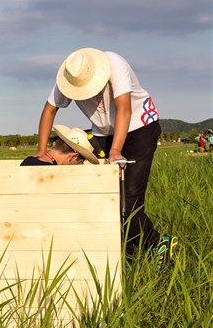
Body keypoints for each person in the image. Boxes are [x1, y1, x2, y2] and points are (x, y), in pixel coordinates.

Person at [35, 47, 177, 263]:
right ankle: (124, 254)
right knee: (100, 197)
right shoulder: (69, 76)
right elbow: (49, 111)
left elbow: (124, 109)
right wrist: (41, 152)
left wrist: (115, 151)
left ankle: (158, 244)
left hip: (140, 128)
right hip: (104, 132)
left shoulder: (114, 64)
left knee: (128, 201)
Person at [21, 125, 100, 166]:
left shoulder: (27, 161)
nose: (78, 165)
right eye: (79, 163)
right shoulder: (54, 174)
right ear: (73, 156)